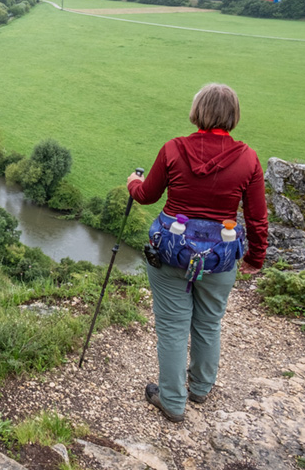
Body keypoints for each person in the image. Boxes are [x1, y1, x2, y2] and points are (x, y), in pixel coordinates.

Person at [126, 83, 267, 423]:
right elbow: (256, 217)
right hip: (220, 256)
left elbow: (146, 195)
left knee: (173, 327)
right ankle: (200, 389)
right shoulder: (247, 158)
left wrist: (132, 182)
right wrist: (255, 257)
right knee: (209, 324)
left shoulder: (174, 149)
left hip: (172, 253)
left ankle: (172, 401)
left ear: (197, 112)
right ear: (233, 115)